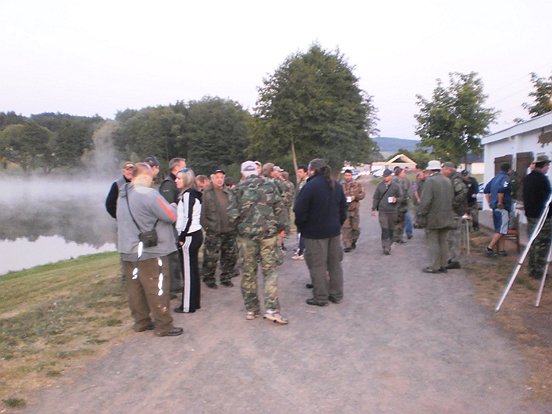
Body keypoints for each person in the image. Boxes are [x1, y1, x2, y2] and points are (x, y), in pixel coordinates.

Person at [116, 162, 183, 337]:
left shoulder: (123, 194)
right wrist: (174, 206)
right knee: (157, 287)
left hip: (127, 250)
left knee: (135, 288)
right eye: (152, 178)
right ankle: (164, 326)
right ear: (145, 176)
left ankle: (141, 322)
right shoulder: (149, 194)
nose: (153, 181)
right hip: (151, 251)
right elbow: (171, 216)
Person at [228, 161, 290, 324]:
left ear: (242, 173)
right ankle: (271, 309)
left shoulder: (237, 190)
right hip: (268, 236)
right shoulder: (270, 185)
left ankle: (251, 309)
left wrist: (239, 230)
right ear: (257, 171)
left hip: (246, 238)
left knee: (248, 273)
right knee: (270, 272)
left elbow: (232, 216)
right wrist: (282, 229)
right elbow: (280, 210)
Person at [294, 159, 347, 306]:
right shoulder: (336, 185)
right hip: (334, 232)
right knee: (334, 264)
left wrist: (302, 227)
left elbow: (299, 210)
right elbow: (343, 208)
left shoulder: (310, 186)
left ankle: (321, 297)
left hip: (314, 233)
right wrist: (338, 224)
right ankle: (336, 294)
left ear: (312, 170)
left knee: (317, 265)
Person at [200, 168, 238, 288]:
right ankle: (209, 278)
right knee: (211, 257)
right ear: (212, 178)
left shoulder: (229, 192)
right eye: (217, 177)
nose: (220, 180)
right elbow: (202, 213)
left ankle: (226, 277)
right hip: (214, 230)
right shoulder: (207, 193)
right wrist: (207, 227)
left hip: (229, 230)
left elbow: (235, 208)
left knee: (229, 256)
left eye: (222, 177)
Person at [174, 167, 203, 313]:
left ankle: (187, 306)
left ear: (186, 180)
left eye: (179, 178)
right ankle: (195, 302)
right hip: (195, 234)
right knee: (193, 270)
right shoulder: (193, 194)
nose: (176, 180)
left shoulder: (187, 195)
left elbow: (187, 218)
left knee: (188, 272)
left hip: (189, 236)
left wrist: (181, 236)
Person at [158, 157, 187, 298]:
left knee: (176, 256)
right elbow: (168, 208)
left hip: (178, 225)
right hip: (171, 226)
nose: (186, 169)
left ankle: (176, 284)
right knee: (171, 257)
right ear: (176, 169)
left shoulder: (176, 182)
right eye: (183, 167)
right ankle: (171, 287)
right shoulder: (168, 184)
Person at [419, 160, 454, 273]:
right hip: (447, 215)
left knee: (433, 241)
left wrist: (422, 214)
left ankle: (434, 266)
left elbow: (426, 201)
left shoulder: (430, 181)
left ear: (430, 170)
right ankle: (443, 265)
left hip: (433, 216)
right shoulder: (447, 180)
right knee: (443, 241)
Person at [522, 155, 552, 279]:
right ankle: (539, 271)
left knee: (533, 242)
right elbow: (547, 198)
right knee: (543, 243)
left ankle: (532, 268)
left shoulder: (528, 178)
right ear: (543, 166)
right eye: (547, 166)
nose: (548, 168)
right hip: (542, 216)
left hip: (530, 215)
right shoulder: (543, 179)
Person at [441, 162, 468, 269]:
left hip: (455, 212)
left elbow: (463, 192)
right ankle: (452, 258)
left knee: (454, 237)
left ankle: (455, 260)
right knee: (450, 236)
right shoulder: (451, 179)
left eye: (443, 169)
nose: (442, 171)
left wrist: (453, 204)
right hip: (453, 212)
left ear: (449, 170)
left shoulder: (455, 180)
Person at [484, 163, 513, 257]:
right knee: (501, 230)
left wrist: (489, 202)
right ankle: (489, 248)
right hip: (503, 208)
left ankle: (501, 250)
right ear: (509, 169)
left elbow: (486, 190)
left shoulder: (495, 178)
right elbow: (501, 190)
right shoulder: (506, 178)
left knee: (500, 229)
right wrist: (500, 202)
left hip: (494, 207)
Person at [371, 169, 401, 255]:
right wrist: (373, 208)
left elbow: (401, 197)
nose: (385, 178)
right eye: (384, 176)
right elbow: (376, 197)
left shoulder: (396, 186)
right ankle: (385, 247)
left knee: (391, 229)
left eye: (387, 176)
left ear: (390, 176)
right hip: (383, 211)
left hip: (393, 211)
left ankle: (389, 243)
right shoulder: (380, 186)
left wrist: (396, 199)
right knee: (384, 229)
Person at [341, 169, 365, 252]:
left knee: (355, 228)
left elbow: (362, 195)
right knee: (346, 228)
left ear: (351, 176)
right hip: (344, 210)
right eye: (346, 175)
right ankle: (347, 245)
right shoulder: (340, 185)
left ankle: (353, 240)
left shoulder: (357, 184)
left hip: (354, 209)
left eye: (349, 175)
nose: (347, 177)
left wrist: (355, 197)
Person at [292, 165, 308, 260]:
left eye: (300, 172)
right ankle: (300, 247)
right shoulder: (300, 183)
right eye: (298, 172)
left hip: (304, 211)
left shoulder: (307, 183)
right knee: (299, 230)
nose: (298, 174)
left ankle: (301, 251)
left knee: (303, 231)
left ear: (306, 172)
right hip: (298, 209)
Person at [392, 167, 411, 243]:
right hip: (398, 204)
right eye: (403, 172)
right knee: (398, 222)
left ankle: (398, 237)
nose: (404, 174)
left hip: (402, 203)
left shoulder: (402, 180)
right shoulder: (396, 181)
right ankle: (396, 237)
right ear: (399, 173)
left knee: (401, 222)